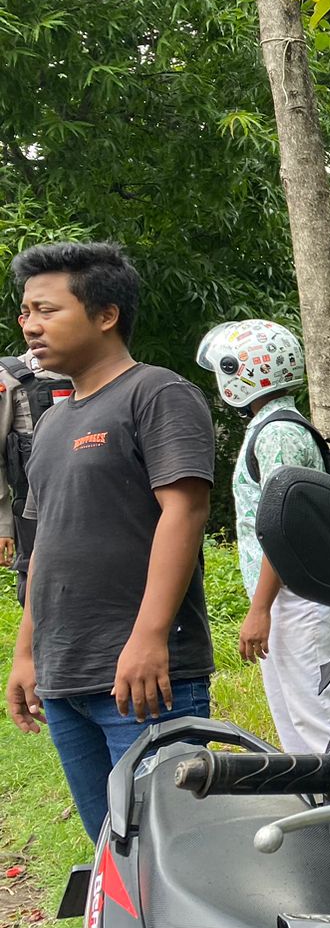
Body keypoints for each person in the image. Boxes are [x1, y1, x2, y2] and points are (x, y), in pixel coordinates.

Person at [3, 242, 215, 839]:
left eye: (46, 309)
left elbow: (186, 511)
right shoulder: (51, 421)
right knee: (112, 858)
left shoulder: (157, 394)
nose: (30, 326)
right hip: (65, 676)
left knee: (168, 857)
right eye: (24, 312)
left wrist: (149, 639)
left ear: (105, 314)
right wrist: (27, 655)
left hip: (145, 679)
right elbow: (45, 544)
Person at [196, 319, 330, 754]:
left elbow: (284, 528)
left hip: (296, 599)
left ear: (237, 371)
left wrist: (259, 610)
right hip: (286, 596)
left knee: (317, 721)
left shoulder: (278, 433)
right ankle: (319, 815)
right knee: (292, 717)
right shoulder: (273, 427)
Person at [0, 353, 71, 604]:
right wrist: (3, 526)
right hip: (31, 511)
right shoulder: (9, 377)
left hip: (94, 508)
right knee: (36, 586)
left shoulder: (99, 374)